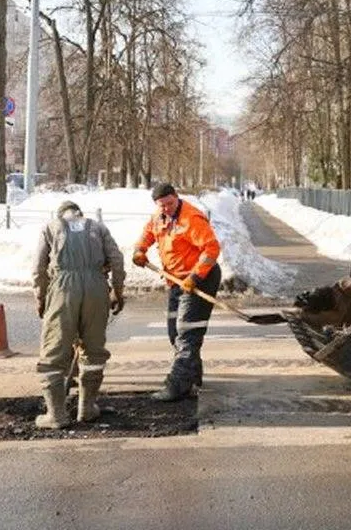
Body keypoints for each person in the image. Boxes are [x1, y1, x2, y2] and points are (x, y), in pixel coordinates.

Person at [31, 200, 126, 429]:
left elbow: (38, 268)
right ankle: (87, 408)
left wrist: (41, 297)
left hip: (64, 287)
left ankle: (56, 415)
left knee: (53, 350)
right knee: (93, 350)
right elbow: (117, 260)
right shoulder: (98, 228)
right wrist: (117, 291)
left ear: (61, 213)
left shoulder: (51, 227)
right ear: (79, 213)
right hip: (96, 287)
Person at [132, 183, 222, 402]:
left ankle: (178, 385)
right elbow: (147, 234)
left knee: (187, 333)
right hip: (176, 281)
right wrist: (139, 250)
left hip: (200, 279)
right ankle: (193, 375)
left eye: (169, 204)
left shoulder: (191, 218)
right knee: (175, 332)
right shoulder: (159, 217)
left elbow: (212, 249)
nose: (166, 209)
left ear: (176, 198)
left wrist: (195, 276)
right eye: (161, 205)